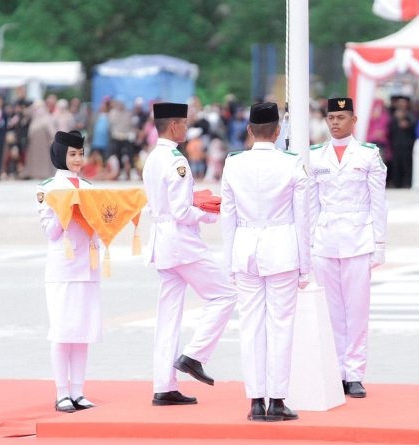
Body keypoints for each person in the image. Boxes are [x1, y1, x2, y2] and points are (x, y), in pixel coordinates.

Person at [141, 102, 239, 406]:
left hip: (162, 239)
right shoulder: (175, 160)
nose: (187, 127)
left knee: (168, 315)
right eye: (184, 123)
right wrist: (209, 214)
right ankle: (194, 355)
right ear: (174, 126)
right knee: (225, 294)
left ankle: (164, 385)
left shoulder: (153, 157)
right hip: (181, 241)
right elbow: (182, 211)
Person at [220, 102, 310, 422]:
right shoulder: (291, 163)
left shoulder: (233, 164)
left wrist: (229, 261)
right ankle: (277, 399)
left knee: (251, 327)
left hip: (245, 249)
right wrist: (306, 265)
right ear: (277, 131)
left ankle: (256, 400)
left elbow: (226, 217)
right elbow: (303, 217)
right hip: (282, 248)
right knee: (281, 326)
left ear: (249, 131)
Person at [309, 97, 387, 399]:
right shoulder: (315, 156)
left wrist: (380, 244)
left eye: (341, 117)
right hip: (325, 240)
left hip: (358, 240)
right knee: (331, 312)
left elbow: (379, 203)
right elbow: (311, 205)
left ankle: (354, 373)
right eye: (330, 117)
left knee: (356, 310)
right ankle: (336, 371)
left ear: (353, 121)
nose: (334, 122)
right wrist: (308, 244)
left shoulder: (368, 155)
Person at [36, 130, 101, 413]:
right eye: (72, 154)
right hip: (62, 267)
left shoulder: (89, 186)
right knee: (63, 330)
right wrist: (68, 211)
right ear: (60, 154)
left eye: (80, 153)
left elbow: (99, 226)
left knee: (83, 331)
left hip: (87, 266)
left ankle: (79, 391)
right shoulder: (47, 188)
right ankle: (62, 392)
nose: (77, 159)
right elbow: (50, 232)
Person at [388, 95, 416, 188]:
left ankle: (407, 183)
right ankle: (397, 183)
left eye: (404, 103)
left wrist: (407, 124)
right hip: (396, 143)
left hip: (407, 143)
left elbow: (413, 126)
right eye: (400, 103)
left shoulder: (411, 115)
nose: (402, 105)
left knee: (407, 164)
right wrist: (397, 120)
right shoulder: (392, 115)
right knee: (396, 164)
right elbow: (390, 129)